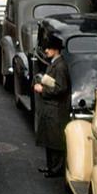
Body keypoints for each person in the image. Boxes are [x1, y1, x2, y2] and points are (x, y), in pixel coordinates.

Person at [32, 35, 70, 177]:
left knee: (55, 140)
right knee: (49, 139)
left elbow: (61, 88)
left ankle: (56, 169)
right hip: (51, 107)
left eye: (49, 48)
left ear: (56, 50)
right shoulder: (54, 63)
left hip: (56, 108)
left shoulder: (60, 66)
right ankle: (50, 166)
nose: (46, 51)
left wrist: (43, 90)